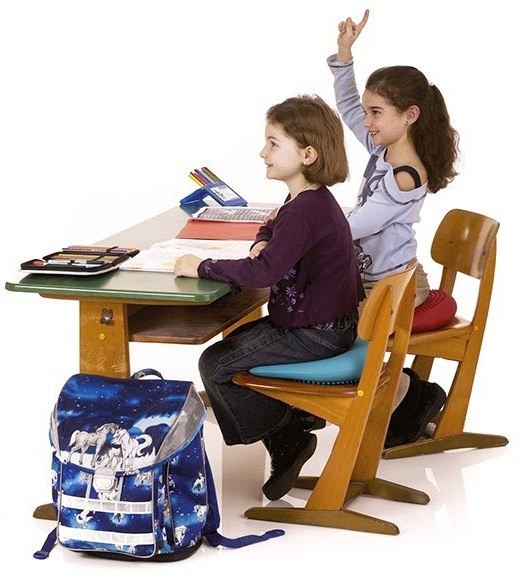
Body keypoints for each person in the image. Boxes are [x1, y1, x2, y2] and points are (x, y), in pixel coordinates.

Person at [174, 94, 365, 500]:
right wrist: (262, 239)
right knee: (233, 347)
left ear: (308, 154)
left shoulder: (304, 211)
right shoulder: (306, 200)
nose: (263, 152)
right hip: (327, 325)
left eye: (273, 144)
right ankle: (293, 423)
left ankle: (288, 436)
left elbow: (263, 272)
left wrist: (203, 266)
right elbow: (272, 224)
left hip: (317, 333)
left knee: (215, 363)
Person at [327, 9, 461, 448]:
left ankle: (409, 397)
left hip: (395, 286)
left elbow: (353, 227)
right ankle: (414, 396)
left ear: (410, 115)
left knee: (337, 334)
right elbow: (348, 106)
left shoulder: (405, 175)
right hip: (372, 279)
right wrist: (344, 56)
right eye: (369, 113)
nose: (366, 121)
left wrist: (306, 224)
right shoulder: (381, 146)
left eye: (377, 113)